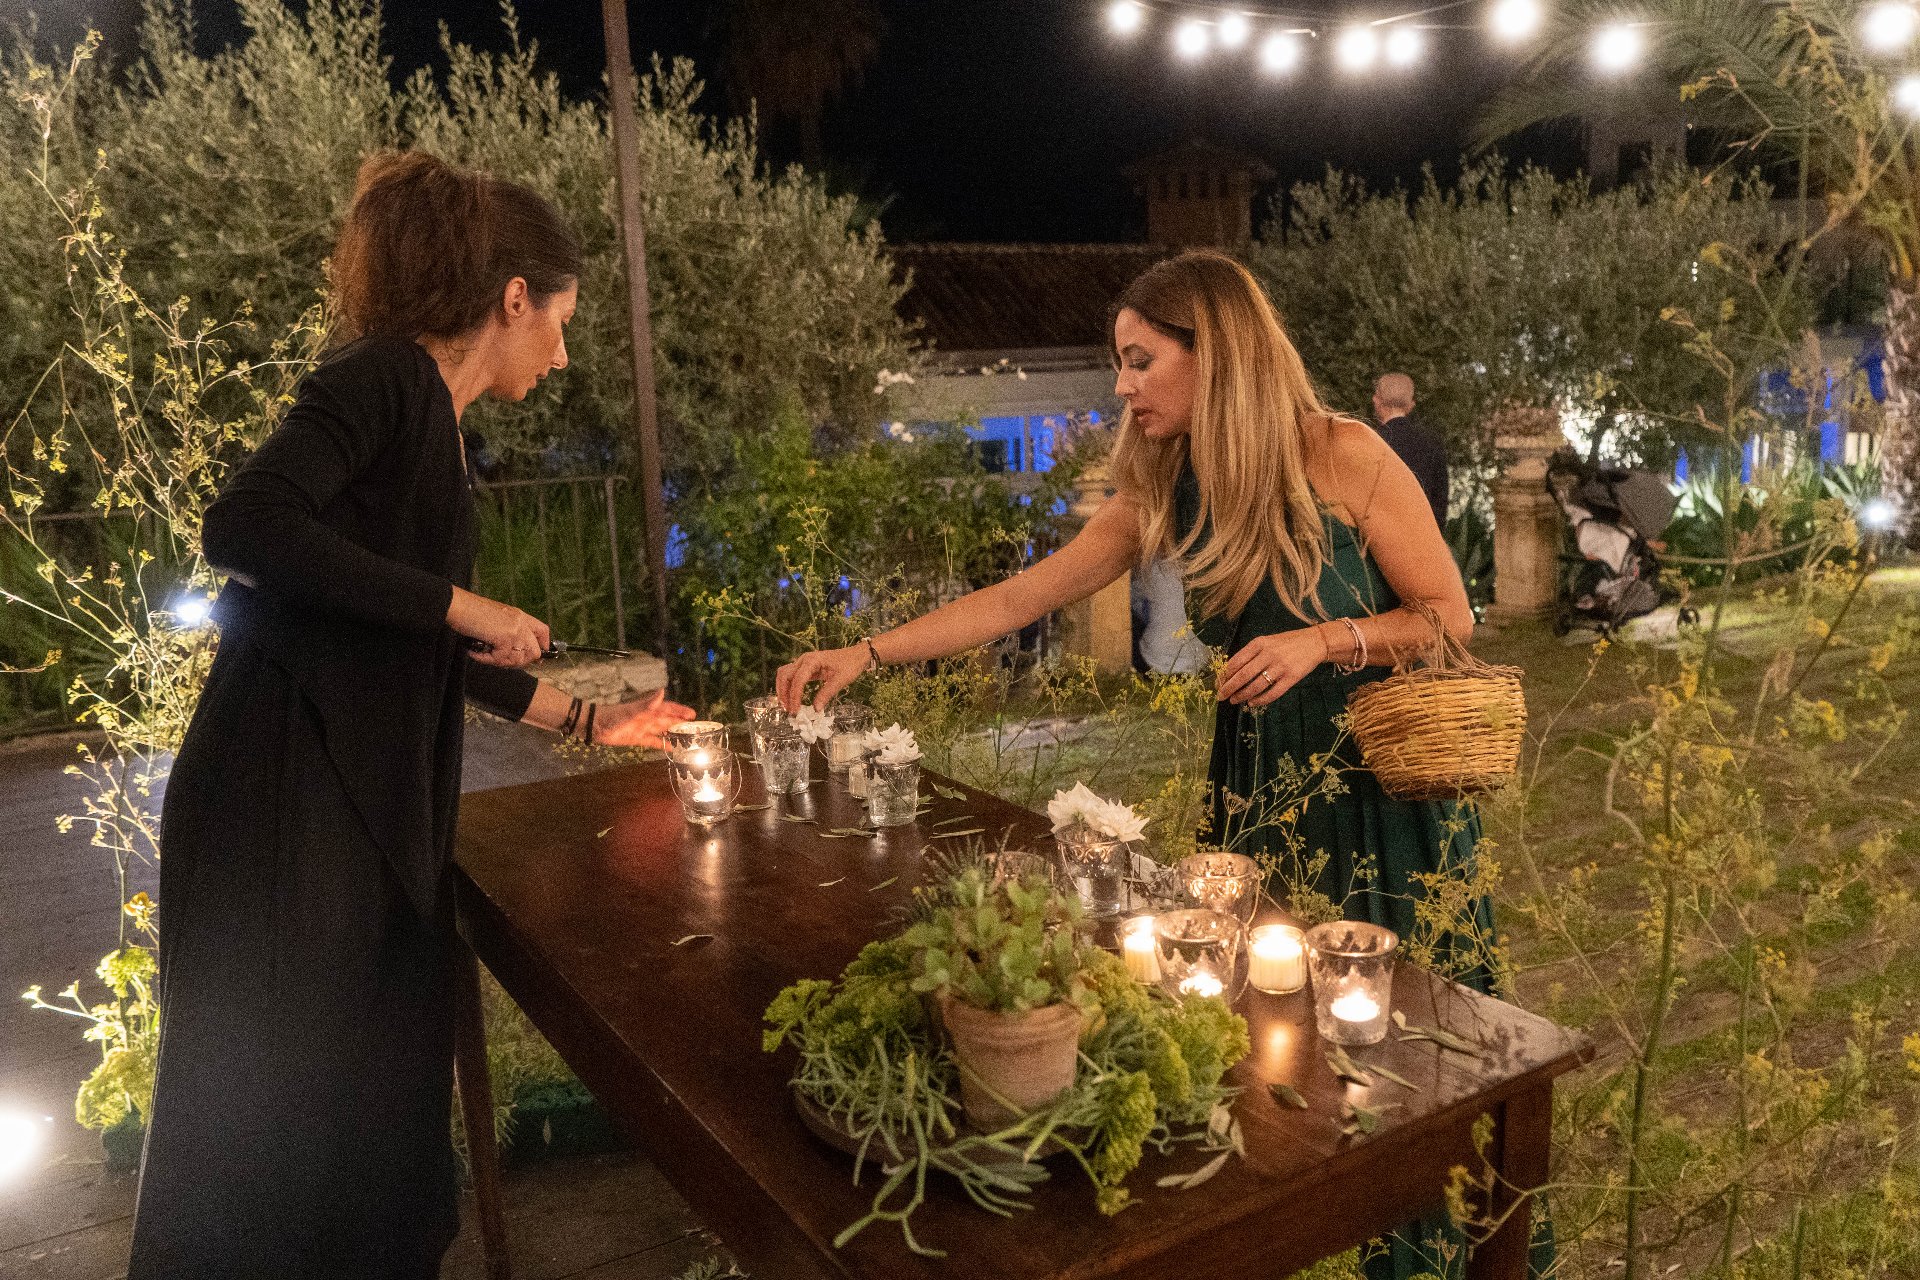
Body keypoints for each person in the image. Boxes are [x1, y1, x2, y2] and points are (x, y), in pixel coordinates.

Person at [779, 250, 1546, 1280]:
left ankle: (1434, 1254)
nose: (1122, 385)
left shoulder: (1346, 452)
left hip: (1375, 788)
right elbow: (1020, 598)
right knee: (1269, 1037)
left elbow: (1450, 616)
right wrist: (866, 653)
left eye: (1141, 360)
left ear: (1214, 352)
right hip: (1259, 785)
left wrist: (1323, 642)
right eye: (1120, 363)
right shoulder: (1165, 487)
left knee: (1408, 1050)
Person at [128, 151, 694, 1280]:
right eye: (562, 323)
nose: (564, 355)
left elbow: (401, 630)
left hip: (343, 798)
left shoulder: (428, 415)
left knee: (359, 1116)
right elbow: (244, 524)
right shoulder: (387, 377)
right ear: (514, 298)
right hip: (286, 803)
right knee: (273, 1129)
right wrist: (463, 601)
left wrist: (589, 721)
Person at [1371, 372, 1449, 530]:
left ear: (1377, 400)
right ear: (1411, 404)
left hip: (1380, 533)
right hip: (1421, 532)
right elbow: (1440, 501)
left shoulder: (1373, 441)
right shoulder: (1432, 443)